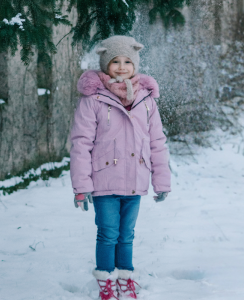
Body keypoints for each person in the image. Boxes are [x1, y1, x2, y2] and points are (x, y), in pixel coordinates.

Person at [70, 35, 171, 300]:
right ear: (105, 63)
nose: (122, 66)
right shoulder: (92, 100)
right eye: (115, 61)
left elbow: (157, 143)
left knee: (127, 234)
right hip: (104, 179)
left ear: (135, 63)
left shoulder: (147, 100)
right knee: (107, 233)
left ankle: (125, 277)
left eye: (127, 61)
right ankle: (106, 280)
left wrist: (161, 181)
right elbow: (81, 144)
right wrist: (81, 187)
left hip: (136, 179)